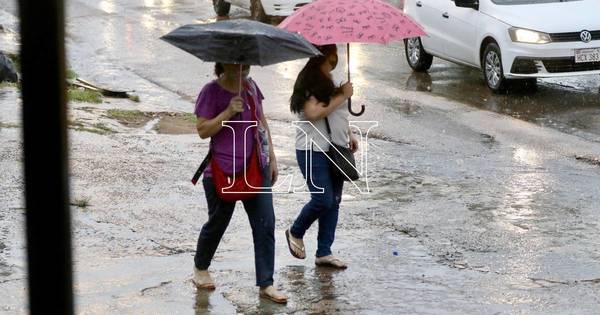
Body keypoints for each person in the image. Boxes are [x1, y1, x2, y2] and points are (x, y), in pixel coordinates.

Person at [192, 62, 287, 304]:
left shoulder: (252, 87)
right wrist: (227, 113)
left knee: (266, 223)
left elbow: (262, 123)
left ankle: (266, 283)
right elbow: (203, 130)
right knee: (218, 222)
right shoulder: (210, 91)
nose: (243, 67)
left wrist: (272, 157)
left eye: (246, 61)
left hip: (256, 168)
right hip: (222, 171)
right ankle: (200, 268)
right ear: (224, 63)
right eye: (236, 60)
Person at [285, 44, 358, 269]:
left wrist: (349, 132)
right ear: (324, 56)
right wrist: (343, 95)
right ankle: (296, 231)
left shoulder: (328, 80)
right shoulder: (309, 81)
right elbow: (314, 113)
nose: (334, 60)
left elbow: (335, 113)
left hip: (334, 148)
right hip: (312, 149)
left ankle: (324, 252)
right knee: (322, 199)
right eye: (331, 56)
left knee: (333, 202)